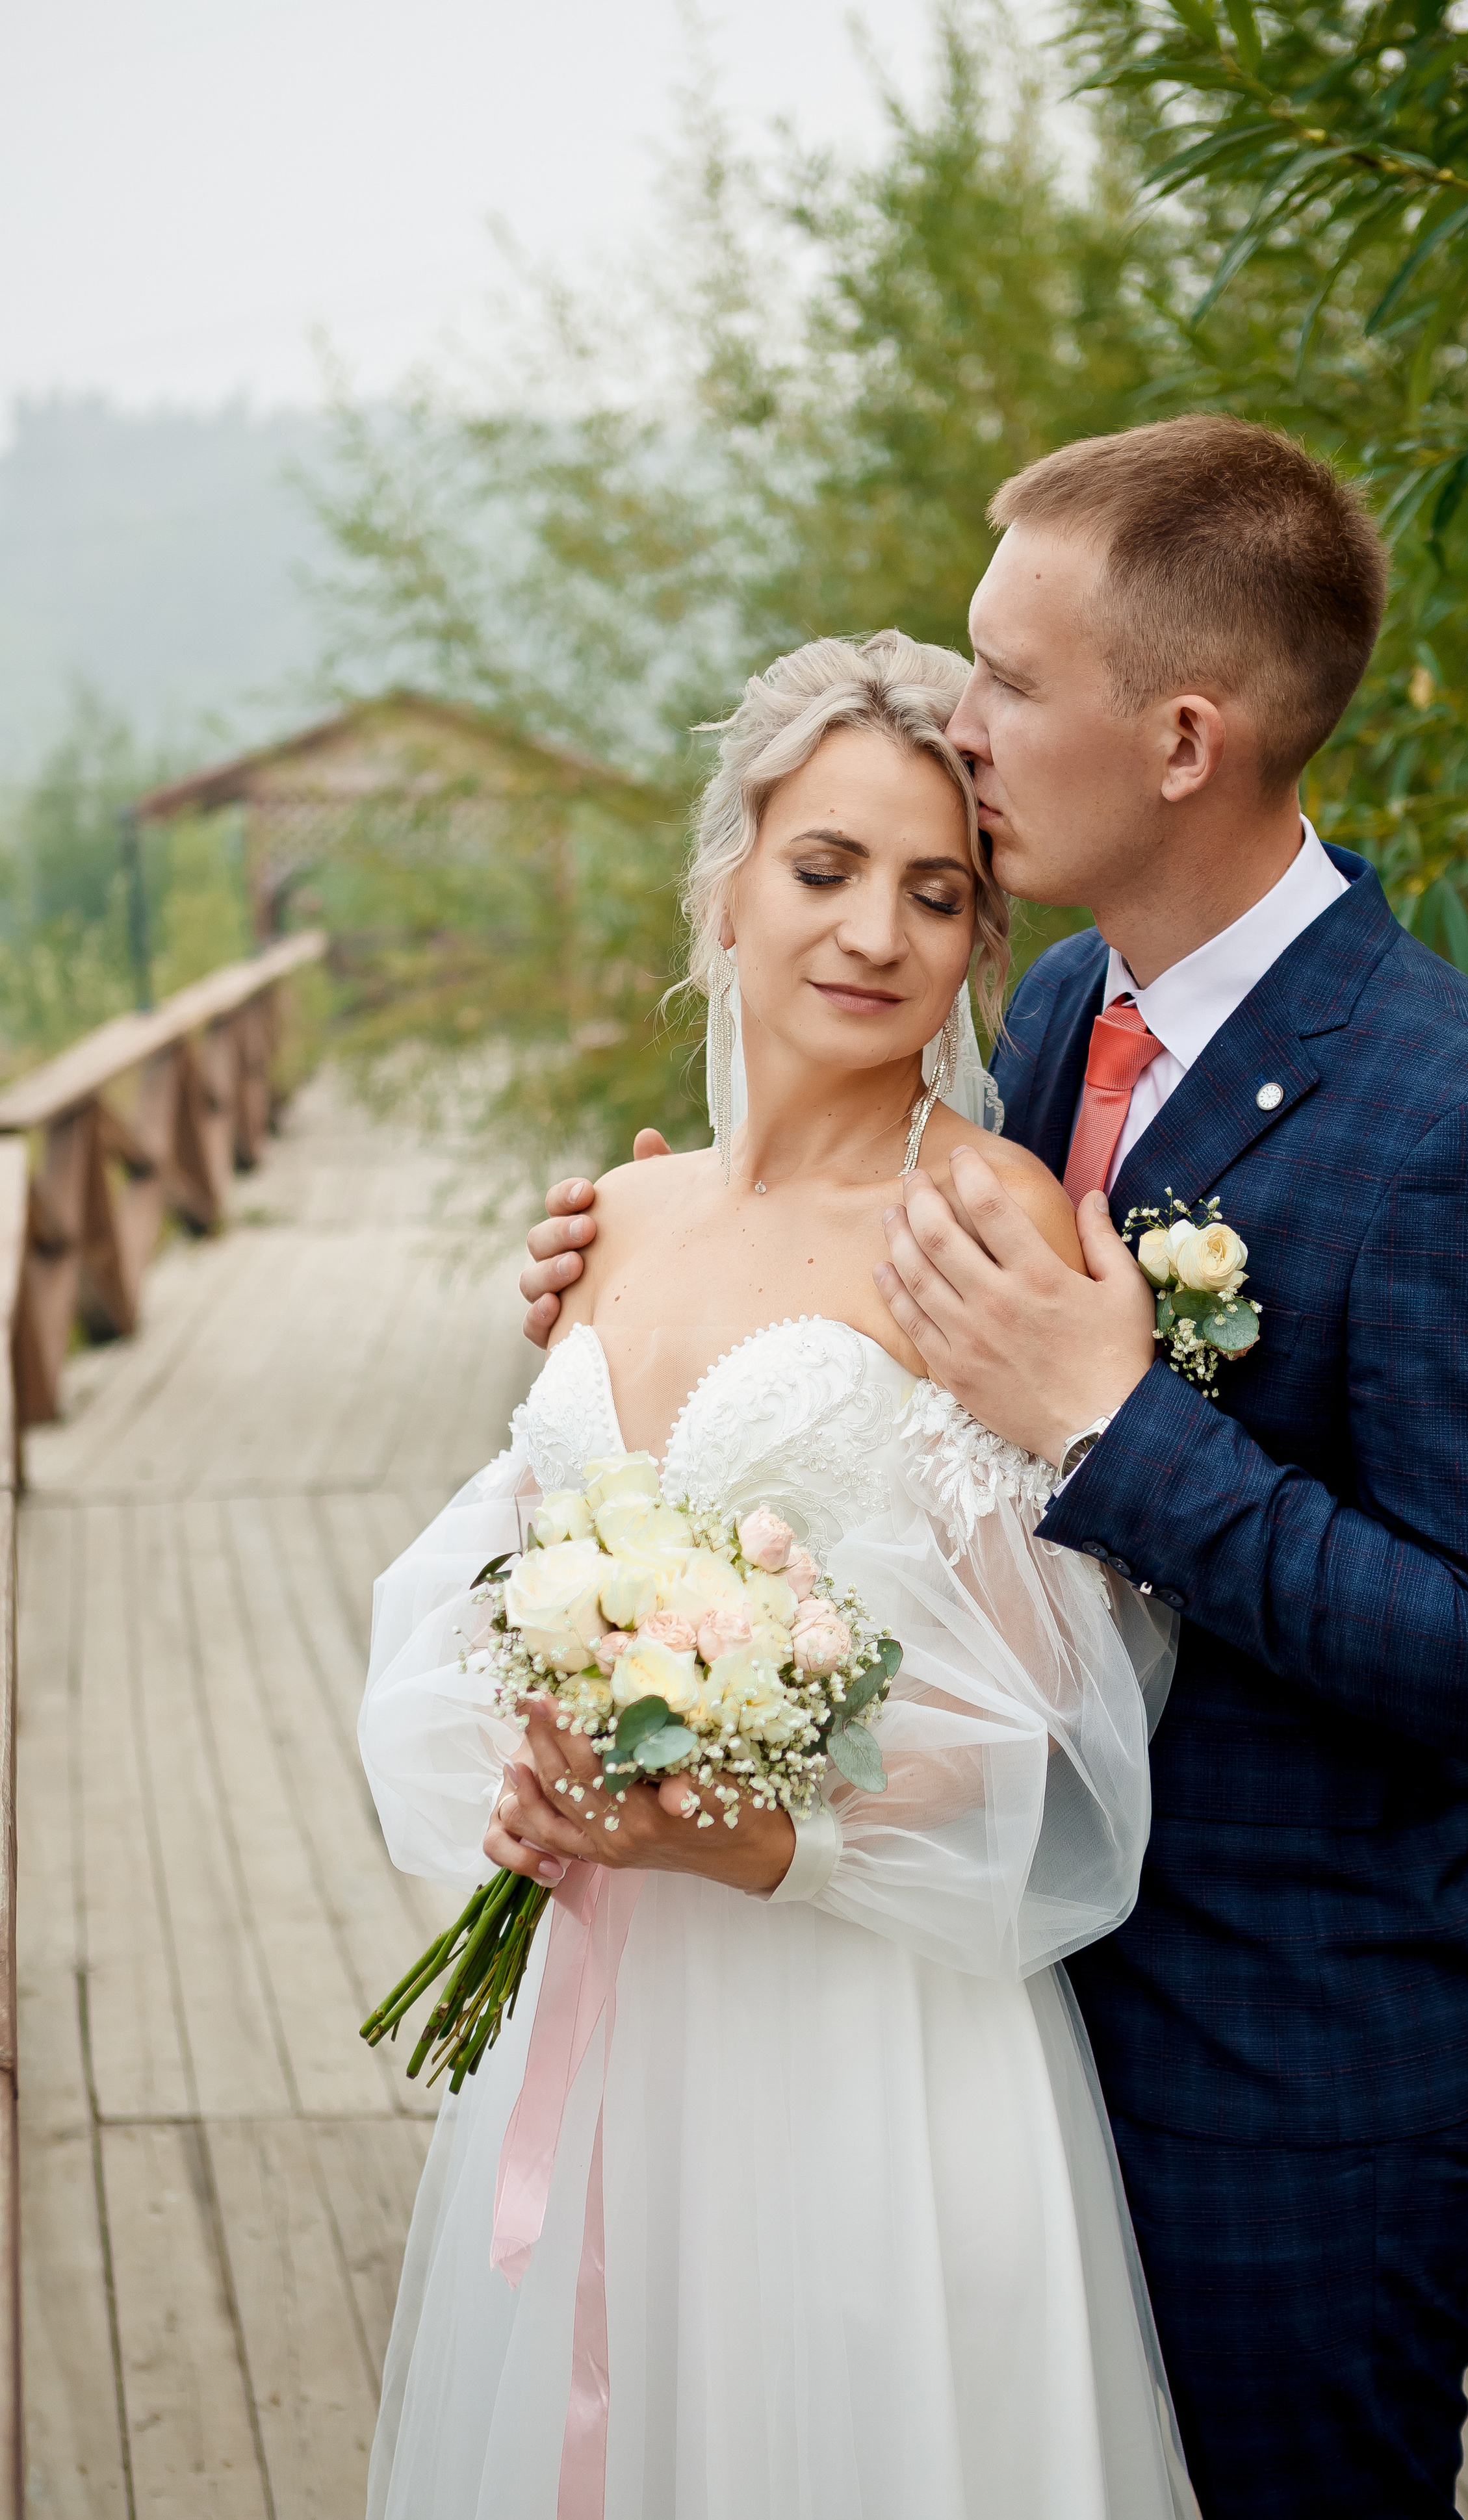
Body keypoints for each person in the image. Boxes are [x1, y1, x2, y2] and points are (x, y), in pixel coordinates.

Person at [521, 418, 1468, 2520]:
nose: (964, 718)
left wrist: (1121, 1430)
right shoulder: (1050, 1021)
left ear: (1184, 736)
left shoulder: (1462, 1122)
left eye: (1007, 679)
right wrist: (640, 1288)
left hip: (1280, 2068)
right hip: (978, 2015)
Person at [361, 631, 1197, 2520]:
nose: (876, 935)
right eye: (824, 869)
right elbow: (523, 1561)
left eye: (937, 894)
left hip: (856, 2026)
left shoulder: (984, 1225)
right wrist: (545, 1753)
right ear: (728, 879)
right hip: (616, 2001)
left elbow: (1038, 1726)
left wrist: (750, 1821)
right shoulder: (624, 1210)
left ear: (981, 941)